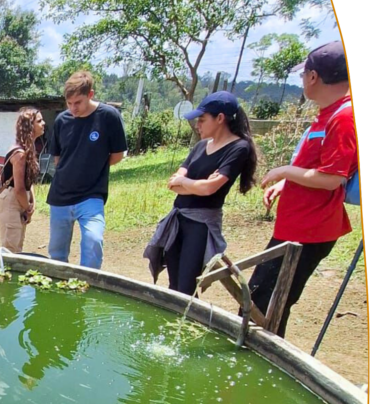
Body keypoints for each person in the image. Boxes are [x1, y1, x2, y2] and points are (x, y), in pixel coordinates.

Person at [247, 42, 356, 338]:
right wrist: (288, 183)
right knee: (262, 299)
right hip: (296, 225)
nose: (302, 81)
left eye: (303, 75)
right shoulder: (327, 113)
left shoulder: (344, 117)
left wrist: (285, 171)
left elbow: (333, 178)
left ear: (313, 77)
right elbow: (319, 166)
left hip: (310, 230)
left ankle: (267, 368)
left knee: (267, 304)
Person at [143, 92, 258, 295]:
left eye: (202, 120)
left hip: (201, 225)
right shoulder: (200, 146)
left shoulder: (238, 148)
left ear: (220, 118)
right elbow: (174, 183)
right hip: (178, 220)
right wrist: (195, 183)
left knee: (187, 285)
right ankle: (173, 324)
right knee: (173, 283)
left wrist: (187, 183)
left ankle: (185, 323)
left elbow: (210, 189)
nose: (198, 125)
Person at [45, 71, 127, 269]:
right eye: (69, 103)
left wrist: (91, 164)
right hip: (60, 196)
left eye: (78, 103)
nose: (73, 108)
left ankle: (87, 292)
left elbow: (117, 155)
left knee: (93, 241)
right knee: (56, 253)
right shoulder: (61, 121)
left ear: (91, 95)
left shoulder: (108, 117)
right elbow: (58, 158)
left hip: (91, 195)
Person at [0, 107, 44, 254]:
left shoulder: (29, 149)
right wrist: (27, 207)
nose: (44, 123)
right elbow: (19, 187)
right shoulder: (20, 153)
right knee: (10, 250)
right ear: (29, 126)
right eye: (39, 121)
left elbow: (29, 182)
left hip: (21, 200)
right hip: (11, 200)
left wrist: (31, 203)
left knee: (17, 247)